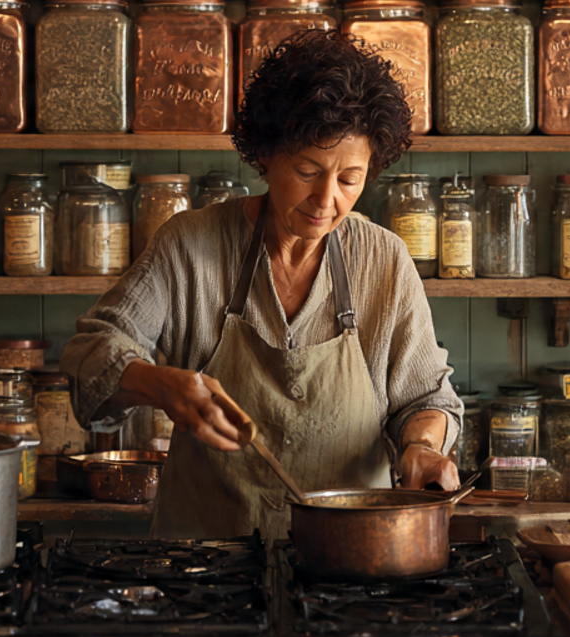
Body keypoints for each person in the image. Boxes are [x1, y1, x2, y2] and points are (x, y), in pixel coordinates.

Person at [61, 29, 463, 540]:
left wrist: (423, 448)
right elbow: (90, 352)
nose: (326, 200)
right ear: (266, 156)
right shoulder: (192, 245)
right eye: (307, 170)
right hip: (206, 564)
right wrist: (162, 385)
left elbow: (428, 397)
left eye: (349, 180)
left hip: (347, 557)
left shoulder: (383, 259)